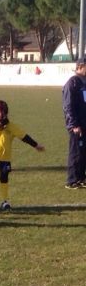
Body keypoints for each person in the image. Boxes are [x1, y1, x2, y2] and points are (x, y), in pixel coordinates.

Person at [62, 58, 86, 189]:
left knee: (83, 152)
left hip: (84, 123)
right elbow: (68, 105)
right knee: (76, 152)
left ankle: (81, 178)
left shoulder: (84, 82)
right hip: (76, 125)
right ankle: (72, 180)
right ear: (81, 66)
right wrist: (73, 125)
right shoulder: (72, 83)